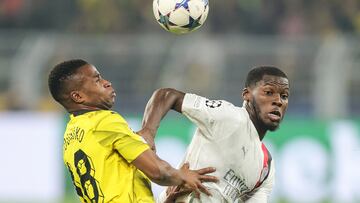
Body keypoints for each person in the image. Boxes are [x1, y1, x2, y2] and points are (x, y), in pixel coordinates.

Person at [47, 59, 218, 203]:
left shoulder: (71, 134)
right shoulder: (105, 121)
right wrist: (183, 176)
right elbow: (158, 172)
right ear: (78, 97)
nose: (107, 82)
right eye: (97, 80)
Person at [139, 66, 290, 202]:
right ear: (247, 95)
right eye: (269, 92)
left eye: (284, 96)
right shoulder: (229, 117)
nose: (278, 101)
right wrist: (148, 132)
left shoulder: (266, 167)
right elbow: (167, 95)